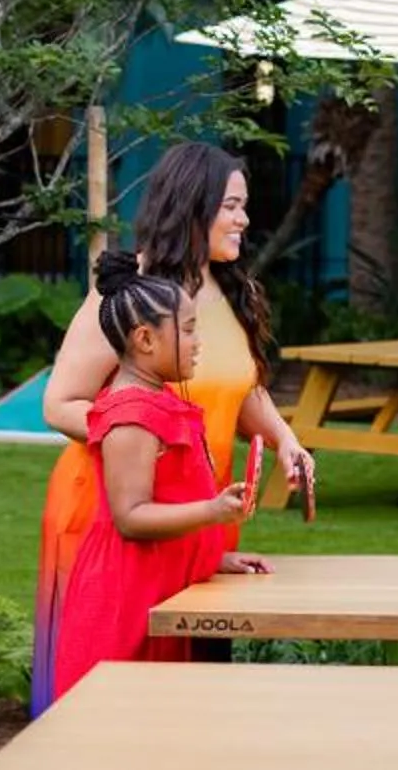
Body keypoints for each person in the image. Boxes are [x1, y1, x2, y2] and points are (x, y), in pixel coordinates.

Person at [34, 143, 313, 713]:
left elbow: (240, 384)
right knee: (109, 693)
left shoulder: (229, 289)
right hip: (114, 519)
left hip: (188, 521)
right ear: (194, 206)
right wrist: (146, 441)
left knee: (179, 699)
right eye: (232, 206)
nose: (244, 219)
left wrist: (285, 438)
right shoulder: (131, 294)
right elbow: (61, 403)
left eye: (244, 206)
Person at [45, 252, 271, 702]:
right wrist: (211, 512)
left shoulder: (159, 402)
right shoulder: (132, 417)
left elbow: (166, 502)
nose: (199, 342)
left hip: (159, 589)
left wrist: (210, 557)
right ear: (146, 339)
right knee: (119, 723)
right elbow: (131, 517)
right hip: (125, 602)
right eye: (188, 330)